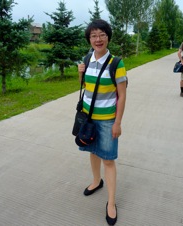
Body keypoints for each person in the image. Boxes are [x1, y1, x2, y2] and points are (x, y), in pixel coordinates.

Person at [78, 19, 127, 225]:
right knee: (93, 152)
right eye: (93, 36)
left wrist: (117, 122)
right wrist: (80, 74)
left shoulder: (116, 63)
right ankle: (96, 181)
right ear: (89, 39)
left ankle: (111, 202)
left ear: (108, 37)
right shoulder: (87, 58)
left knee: (108, 159)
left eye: (102, 35)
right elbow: (86, 88)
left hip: (107, 121)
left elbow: (122, 96)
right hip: (88, 118)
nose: (98, 39)